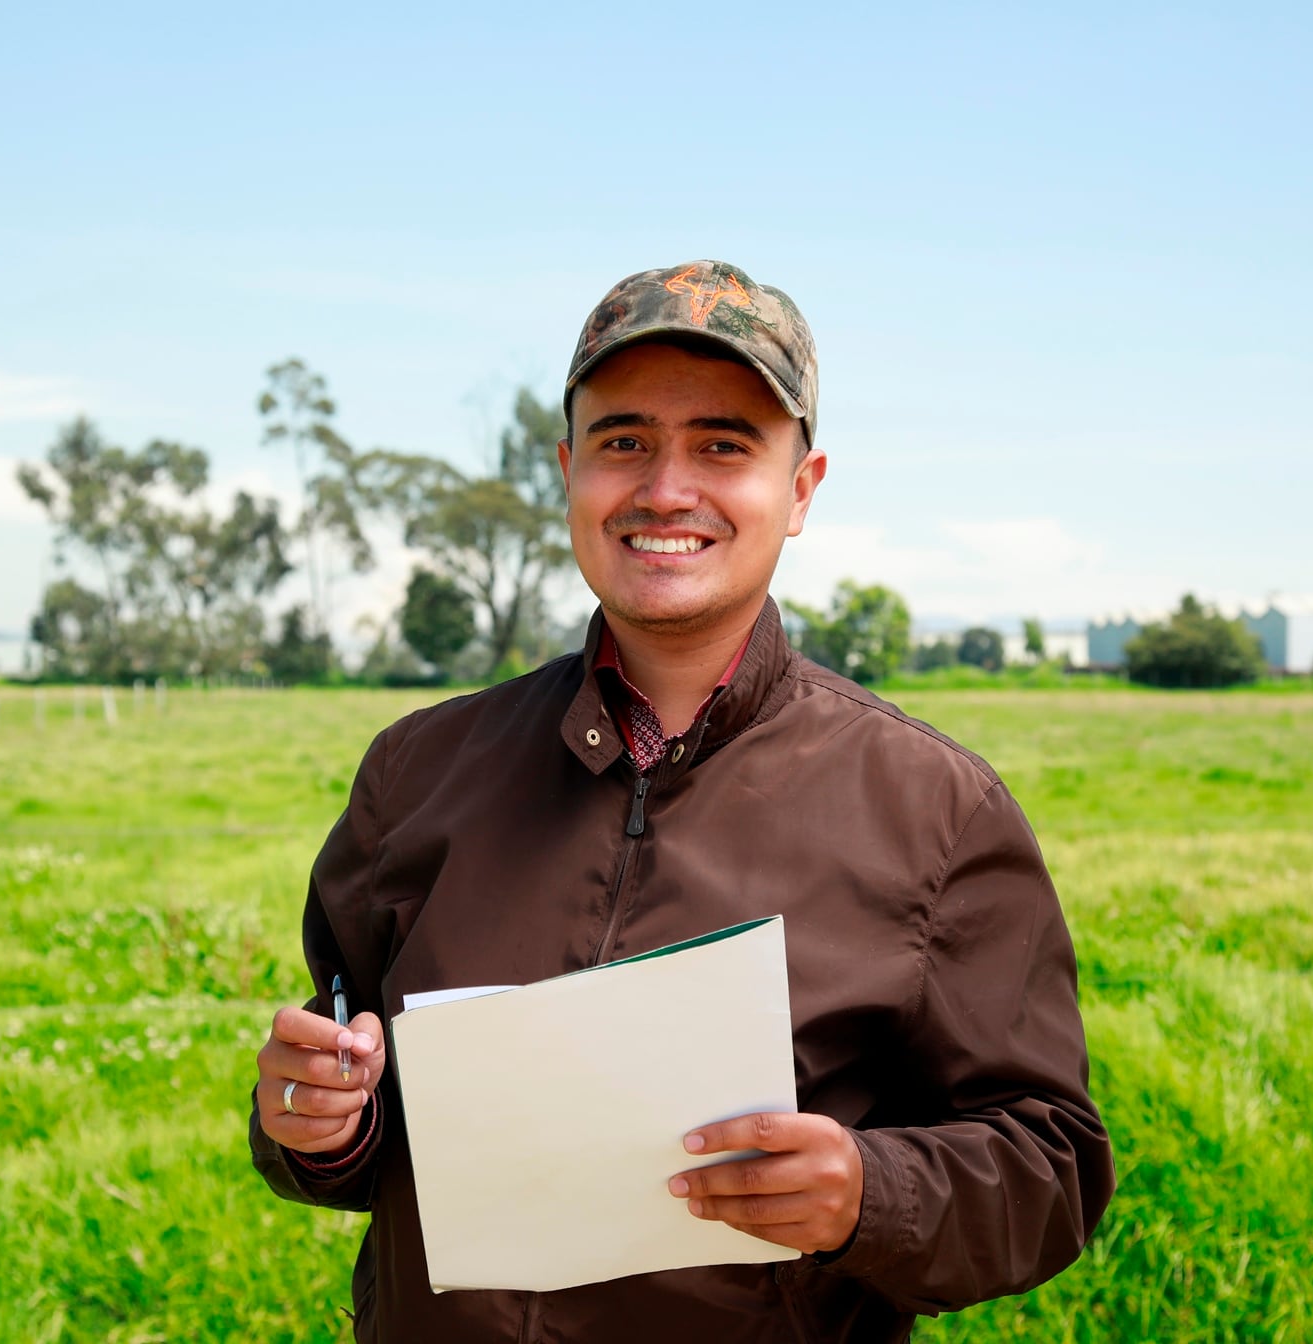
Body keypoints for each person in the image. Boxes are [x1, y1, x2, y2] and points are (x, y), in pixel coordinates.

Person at [248, 260, 1114, 1343]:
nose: (665, 489)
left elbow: (1050, 1166)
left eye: (723, 444)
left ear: (801, 490)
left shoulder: (936, 810)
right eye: (623, 443)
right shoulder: (415, 773)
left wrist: (866, 1190)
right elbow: (350, 1105)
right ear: (570, 470)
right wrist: (316, 1122)